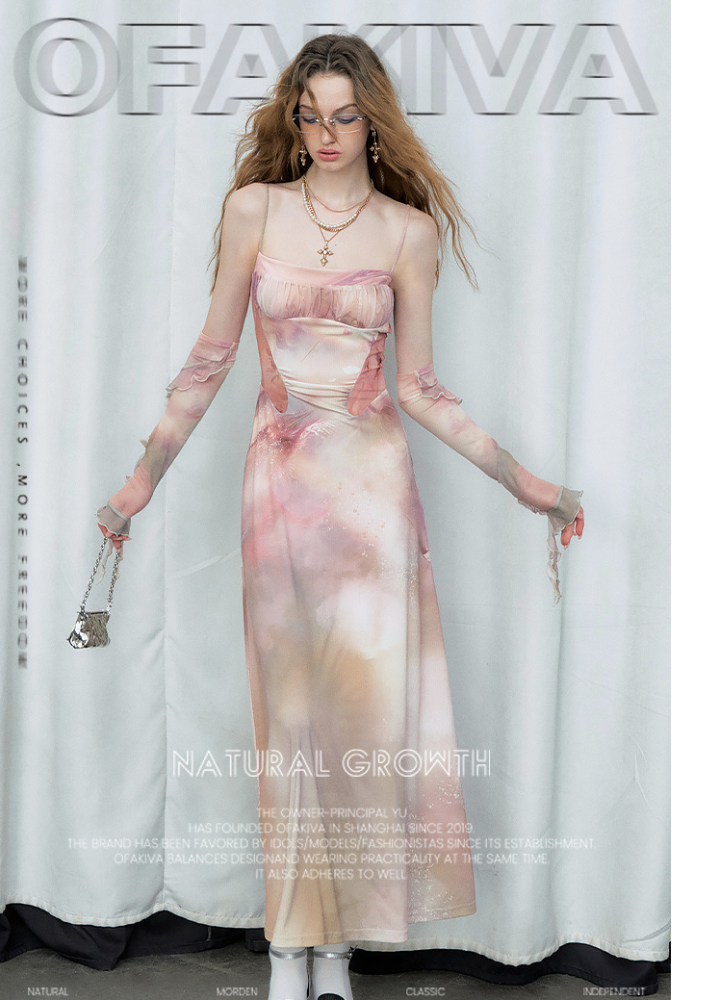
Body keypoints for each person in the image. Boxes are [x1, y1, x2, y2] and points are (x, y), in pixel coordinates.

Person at [95, 32, 584, 1000]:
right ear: (294, 118)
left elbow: (420, 386)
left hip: (373, 499)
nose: (326, 133)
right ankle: (290, 946)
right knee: (290, 720)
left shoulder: (408, 232)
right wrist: (140, 479)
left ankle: (339, 953)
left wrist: (525, 481)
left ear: (374, 122)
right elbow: (210, 359)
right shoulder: (254, 209)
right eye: (310, 115)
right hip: (279, 490)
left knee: (364, 721)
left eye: (346, 116)